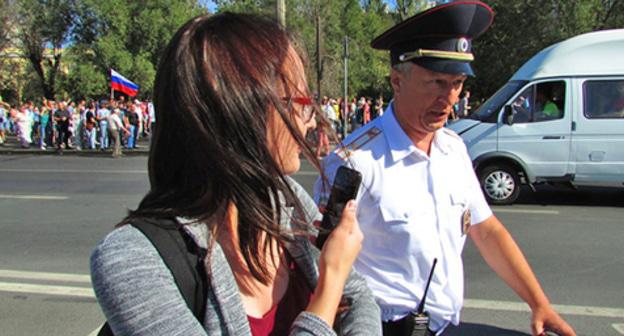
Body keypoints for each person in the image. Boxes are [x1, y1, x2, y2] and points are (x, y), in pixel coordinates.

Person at [90, 12, 380, 336]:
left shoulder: (285, 198)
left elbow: (361, 301)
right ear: (242, 108)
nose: (310, 122)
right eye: (300, 102)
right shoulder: (134, 260)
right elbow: (340, 288)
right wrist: (330, 284)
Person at [314, 2, 576, 336]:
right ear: (397, 80)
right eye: (436, 82)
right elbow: (321, 264)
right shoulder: (354, 161)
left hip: (444, 326)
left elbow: (487, 231)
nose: (449, 98)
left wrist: (539, 303)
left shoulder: (453, 150)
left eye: (457, 83)